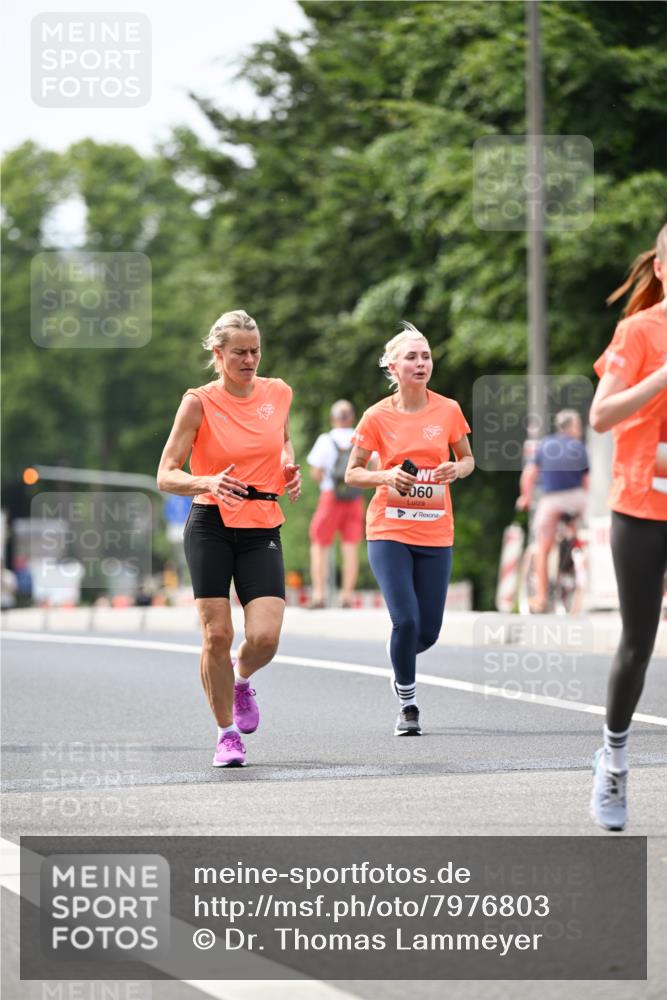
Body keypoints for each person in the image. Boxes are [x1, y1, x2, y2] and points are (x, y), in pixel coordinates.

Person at [157, 309, 301, 768]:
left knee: (265, 637)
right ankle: (226, 734)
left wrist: (288, 467)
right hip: (211, 525)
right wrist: (207, 482)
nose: (250, 359)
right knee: (217, 634)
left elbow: (281, 439)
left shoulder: (278, 393)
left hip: (261, 524)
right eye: (239, 351)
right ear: (218, 354)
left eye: (255, 350)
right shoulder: (198, 402)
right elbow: (166, 474)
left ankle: (242, 680)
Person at [345, 322, 474, 735]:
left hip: (435, 529)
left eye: (426, 356)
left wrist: (458, 468)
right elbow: (352, 474)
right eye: (412, 357)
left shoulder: (448, 409)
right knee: (405, 620)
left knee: (427, 631)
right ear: (392, 366)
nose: (421, 363)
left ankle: (400, 655)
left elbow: (468, 458)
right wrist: (386, 476)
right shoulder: (376, 416)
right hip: (388, 529)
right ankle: (408, 704)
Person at [588, 222, 667, 830]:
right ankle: (613, 758)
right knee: (639, 642)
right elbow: (601, 414)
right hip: (642, 506)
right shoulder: (640, 331)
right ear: (661, 269)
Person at [516, 409, 590, 612]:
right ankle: (577, 549)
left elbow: (529, 474)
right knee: (582, 532)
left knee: (543, 548)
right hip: (577, 498)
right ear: (573, 426)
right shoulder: (579, 447)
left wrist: (526, 497)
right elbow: (586, 480)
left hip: (552, 501)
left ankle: (540, 598)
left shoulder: (545, 445)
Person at [307, 399, 364, 608]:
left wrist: (329, 482)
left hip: (331, 496)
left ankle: (320, 595)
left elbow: (315, 471)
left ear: (333, 419)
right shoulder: (360, 438)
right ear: (352, 418)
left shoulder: (325, 439)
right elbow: (374, 464)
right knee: (350, 546)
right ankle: (347, 596)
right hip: (355, 496)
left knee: (319, 544)